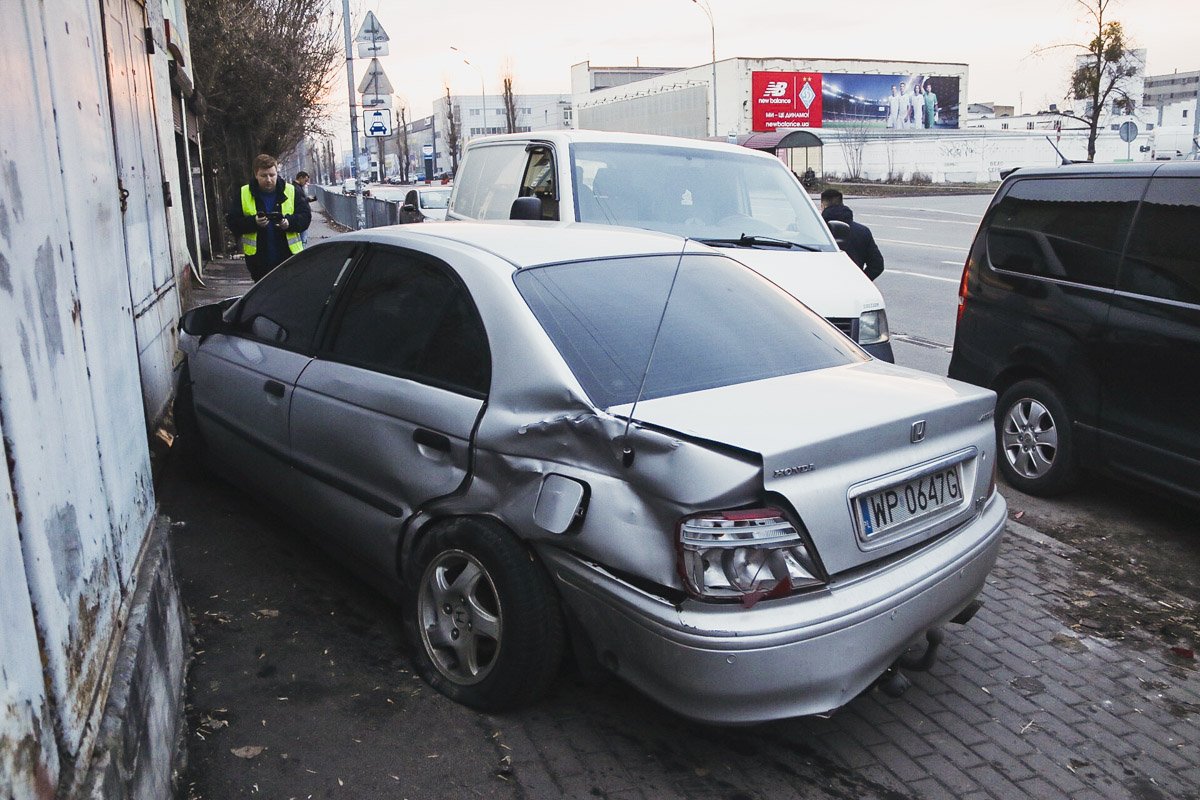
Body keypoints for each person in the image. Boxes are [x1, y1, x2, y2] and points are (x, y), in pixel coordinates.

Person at [225, 154, 310, 282]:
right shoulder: (244, 193)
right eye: (264, 176)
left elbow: (305, 217)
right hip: (258, 262)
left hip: (289, 258)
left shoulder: (291, 191)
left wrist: (288, 222)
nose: (269, 179)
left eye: (272, 175)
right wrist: (253, 222)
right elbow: (233, 222)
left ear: (277, 173)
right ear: (256, 175)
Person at [820, 188, 884, 281]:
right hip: (853, 286)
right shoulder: (863, 231)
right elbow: (877, 265)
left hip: (824, 284)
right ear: (842, 203)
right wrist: (861, 281)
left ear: (823, 206)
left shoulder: (819, 232)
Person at [291, 171, 313, 245]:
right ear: (300, 178)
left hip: (302, 219)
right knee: (303, 242)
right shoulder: (295, 188)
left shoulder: (297, 187)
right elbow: (299, 201)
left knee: (303, 240)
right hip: (301, 219)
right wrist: (307, 199)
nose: (306, 183)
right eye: (305, 180)